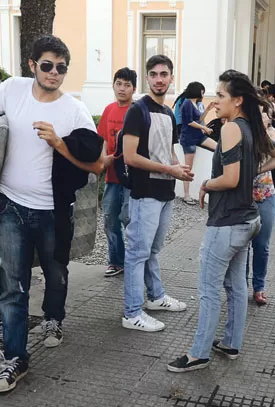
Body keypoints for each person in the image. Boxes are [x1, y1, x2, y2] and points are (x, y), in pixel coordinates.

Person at [0, 36, 102, 394]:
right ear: (32, 65)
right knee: (11, 287)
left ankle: (54, 318)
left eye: (61, 68)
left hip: (53, 212)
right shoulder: (11, 90)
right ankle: (15, 359)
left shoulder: (73, 110)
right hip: (10, 206)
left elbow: (96, 163)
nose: (54, 73)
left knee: (56, 276)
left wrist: (60, 143)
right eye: (47, 65)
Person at [167, 70, 275, 373]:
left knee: (208, 287)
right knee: (236, 286)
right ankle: (231, 343)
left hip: (228, 222)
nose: (215, 102)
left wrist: (206, 184)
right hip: (248, 219)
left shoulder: (231, 129)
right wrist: (253, 172)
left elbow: (229, 179)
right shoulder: (252, 127)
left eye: (221, 96)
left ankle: (198, 353)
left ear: (238, 100)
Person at [121, 54, 193, 333]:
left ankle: (155, 297)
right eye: (154, 74)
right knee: (138, 252)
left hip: (165, 192)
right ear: (148, 78)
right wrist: (170, 169)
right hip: (144, 192)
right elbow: (130, 156)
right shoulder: (137, 110)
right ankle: (131, 312)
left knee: (152, 250)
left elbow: (168, 150)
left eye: (164, 74)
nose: (159, 79)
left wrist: (179, 169)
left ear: (172, 77)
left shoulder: (167, 112)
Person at [247, 101, 275, 306]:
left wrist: (258, 170)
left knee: (261, 245)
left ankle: (259, 287)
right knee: (241, 246)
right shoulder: (239, 131)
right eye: (260, 113)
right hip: (242, 197)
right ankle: (239, 285)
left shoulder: (270, 134)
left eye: (266, 114)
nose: (265, 117)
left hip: (265, 194)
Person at [98, 67, 138, 277]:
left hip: (132, 178)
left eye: (127, 85)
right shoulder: (109, 110)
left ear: (134, 88)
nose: (122, 88)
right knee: (109, 219)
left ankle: (134, 263)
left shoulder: (138, 111)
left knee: (129, 219)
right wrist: (103, 158)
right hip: (112, 176)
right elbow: (104, 138)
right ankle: (116, 261)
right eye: (119, 83)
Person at [174, 82, 215, 204]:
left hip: (199, 136)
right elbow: (189, 122)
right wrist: (204, 128)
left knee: (218, 147)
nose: (203, 93)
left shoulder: (196, 104)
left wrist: (208, 109)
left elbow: (199, 119)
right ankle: (186, 195)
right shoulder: (187, 103)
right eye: (202, 91)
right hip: (189, 138)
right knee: (188, 167)